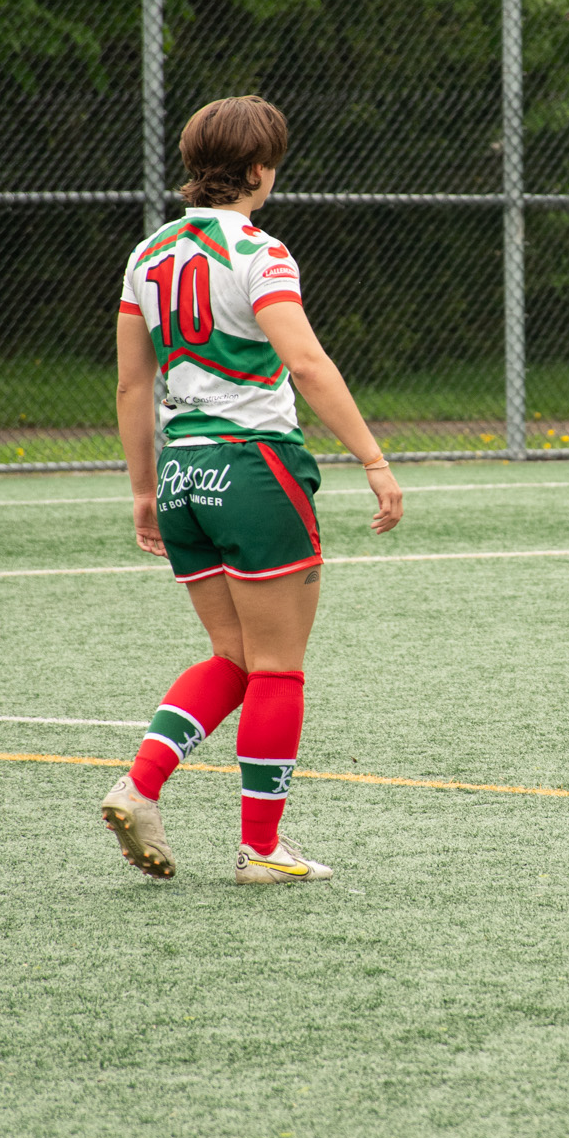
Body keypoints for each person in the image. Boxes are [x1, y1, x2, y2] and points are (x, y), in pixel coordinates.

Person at [103, 94, 403, 884]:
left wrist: (142, 490)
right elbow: (305, 364)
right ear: (262, 170)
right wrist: (372, 458)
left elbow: (134, 389)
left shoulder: (146, 255)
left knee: (232, 656)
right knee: (277, 666)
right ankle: (262, 850)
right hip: (254, 469)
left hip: (181, 474)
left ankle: (139, 787)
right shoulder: (261, 252)